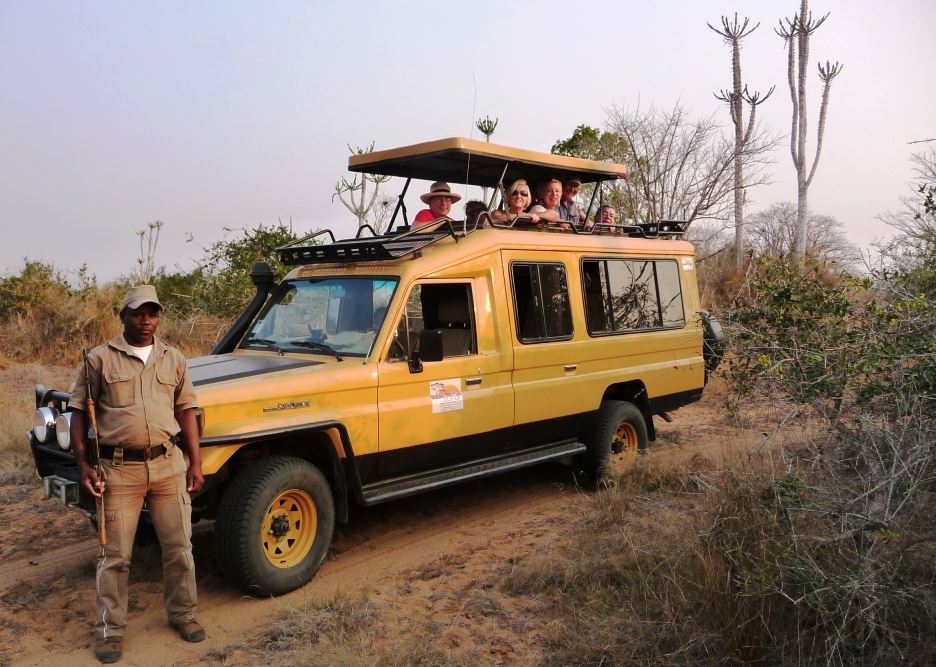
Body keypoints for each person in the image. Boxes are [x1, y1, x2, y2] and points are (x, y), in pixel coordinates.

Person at [69, 285, 204, 664]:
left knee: (179, 549)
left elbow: (187, 410)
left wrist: (195, 462)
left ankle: (184, 615)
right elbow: (79, 413)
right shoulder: (97, 359)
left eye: (152, 313)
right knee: (114, 556)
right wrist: (83, 466)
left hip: (167, 466)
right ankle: (109, 632)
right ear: (123, 316)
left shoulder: (173, 358)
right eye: (138, 313)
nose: (146, 320)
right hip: (119, 470)